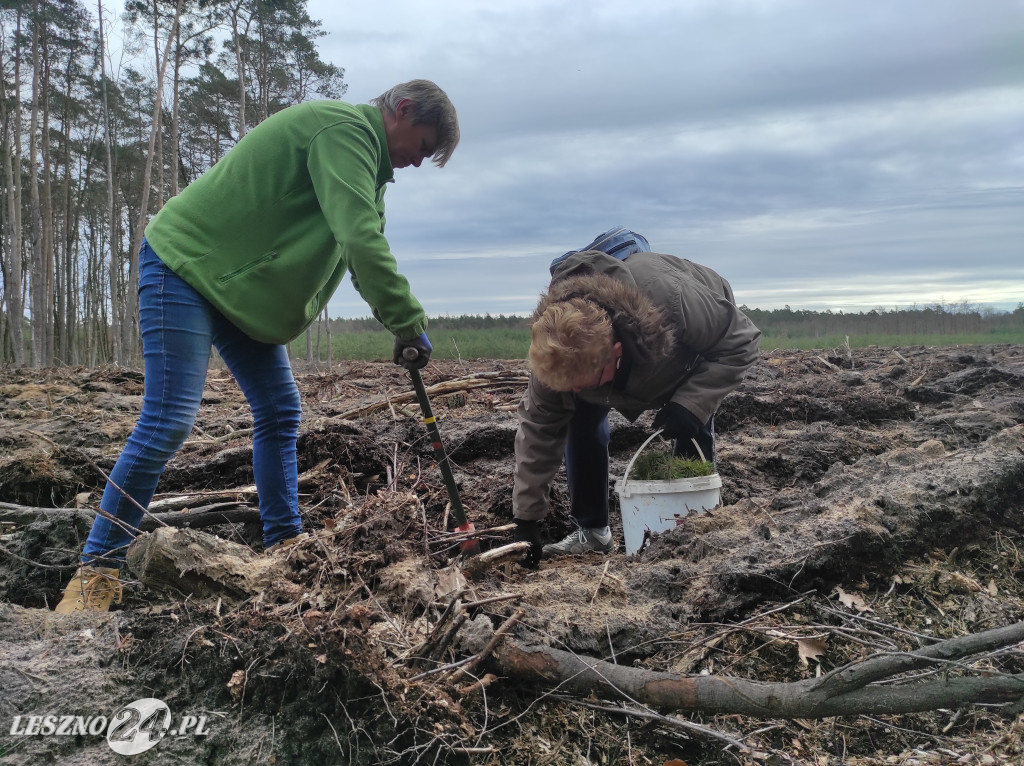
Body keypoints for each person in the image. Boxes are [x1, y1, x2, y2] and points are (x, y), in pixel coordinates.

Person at [55, 80, 460, 613]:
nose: (418, 162)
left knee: (279, 409)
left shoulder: (368, 171)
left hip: (235, 291)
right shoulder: (343, 132)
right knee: (168, 420)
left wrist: (398, 323)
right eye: (423, 145)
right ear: (403, 110)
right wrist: (407, 320)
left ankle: (285, 548)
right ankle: (96, 574)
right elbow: (360, 238)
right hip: (184, 266)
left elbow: (359, 254)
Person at [512, 230, 761, 567]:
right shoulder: (555, 352)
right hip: (616, 356)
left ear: (615, 353)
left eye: (583, 383)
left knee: (692, 415)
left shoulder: (671, 297)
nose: (575, 391)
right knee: (577, 415)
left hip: (688, 344)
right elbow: (538, 432)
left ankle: (697, 522)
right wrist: (526, 521)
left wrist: (691, 405)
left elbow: (739, 341)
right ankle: (593, 531)